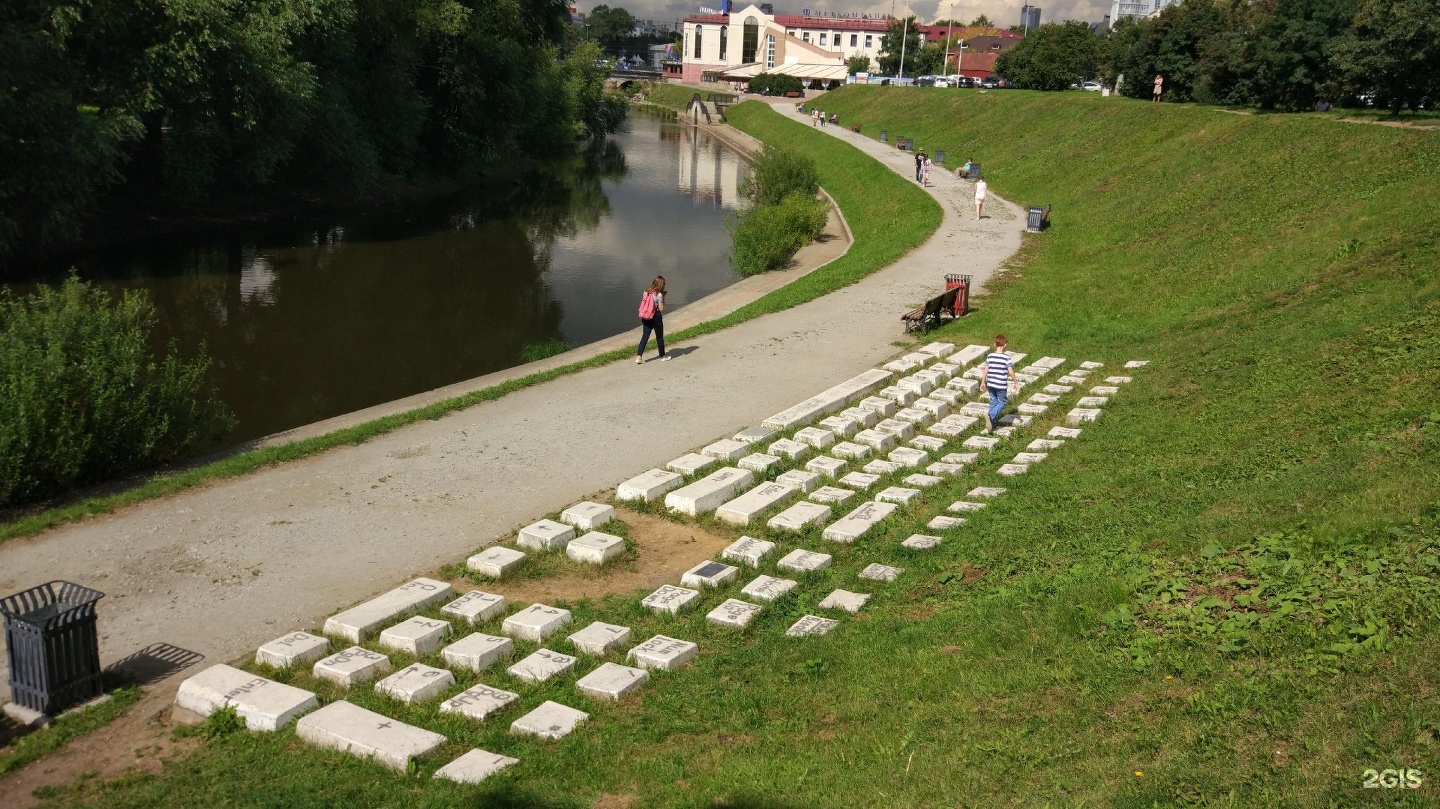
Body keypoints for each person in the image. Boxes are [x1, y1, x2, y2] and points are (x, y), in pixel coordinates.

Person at [984, 334, 1015, 432]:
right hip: (1000, 385)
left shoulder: (990, 356)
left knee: (994, 401)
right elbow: (1010, 371)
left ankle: (991, 424)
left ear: (994, 344)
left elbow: (985, 370)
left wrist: (982, 382)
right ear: (1005, 345)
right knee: (1002, 402)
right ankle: (991, 415)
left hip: (990, 383)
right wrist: (1015, 381)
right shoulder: (1006, 358)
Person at [636, 276, 671, 363]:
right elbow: (661, 308)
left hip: (646, 315)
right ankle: (662, 356)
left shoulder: (646, 291)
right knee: (659, 337)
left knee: (645, 336)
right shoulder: (659, 295)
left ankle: (639, 357)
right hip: (655, 316)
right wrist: (663, 299)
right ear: (661, 285)